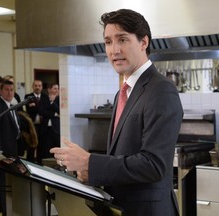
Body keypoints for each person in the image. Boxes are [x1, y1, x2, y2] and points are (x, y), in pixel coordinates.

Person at [50, 9, 183, 216]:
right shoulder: (123, 93)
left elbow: (153, 165)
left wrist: (90, 162)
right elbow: (124, 156)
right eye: (108, 42)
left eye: (122, 40)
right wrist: (90, 171)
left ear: (143, 42)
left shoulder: (161, 89)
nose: (114, 50)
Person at [0, 80, 21, 216]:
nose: (10, 92)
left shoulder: (11, 106)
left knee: (9, 181)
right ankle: (5, 210)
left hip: (13, 150)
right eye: (6, 90)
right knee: (4, 181)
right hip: (3, 152)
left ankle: (8, 208)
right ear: (0, 91)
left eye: (12, 90)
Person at [24, 80, 50, 163]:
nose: (37, 87)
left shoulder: (46, 97)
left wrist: (36, 107)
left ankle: (40, 166)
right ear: (32, 86)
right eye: (35, 85)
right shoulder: (28, 96)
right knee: (31, 147)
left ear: (42, 87)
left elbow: (48, 112)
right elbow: (29, 110)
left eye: (39, 86)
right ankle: (29, 165)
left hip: (43, 126)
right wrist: (41, 110)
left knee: (42, 148)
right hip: (32, 126)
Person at [38, 83, 60, 160]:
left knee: (56, 148)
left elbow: (60, 111)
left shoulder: (59, 99)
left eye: (57, 88)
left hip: (56, 128)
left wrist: (52, 102)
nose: (57, 90)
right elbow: (41, 111)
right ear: (49, 89)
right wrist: (54, 114)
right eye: (55, 88)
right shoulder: (43, 98)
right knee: (46, 149)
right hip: (46, 128)